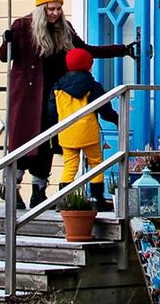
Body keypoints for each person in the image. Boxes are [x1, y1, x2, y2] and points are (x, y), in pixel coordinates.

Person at [0, 0, 135, 207]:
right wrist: (8, 41)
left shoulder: (65, 29)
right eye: (51, 8)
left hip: (55, 96)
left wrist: (122, 50)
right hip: (27, 97)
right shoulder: (23, 26)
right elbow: (5, 57)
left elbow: (87, 50)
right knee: (24, 144)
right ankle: (12, 190)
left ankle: (39, 192)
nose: (55, 13)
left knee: (48, 144)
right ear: (42, 8)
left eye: (59, 8)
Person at [52, 47, 127, 204]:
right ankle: (97, 198)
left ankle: (64, 200)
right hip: (88, 132)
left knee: (70, 165)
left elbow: (50, 112)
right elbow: (105, 110)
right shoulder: (93, 86)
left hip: (66, 132)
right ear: (89, 65)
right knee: (96, 163)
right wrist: (118, 120)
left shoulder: (58, 87)